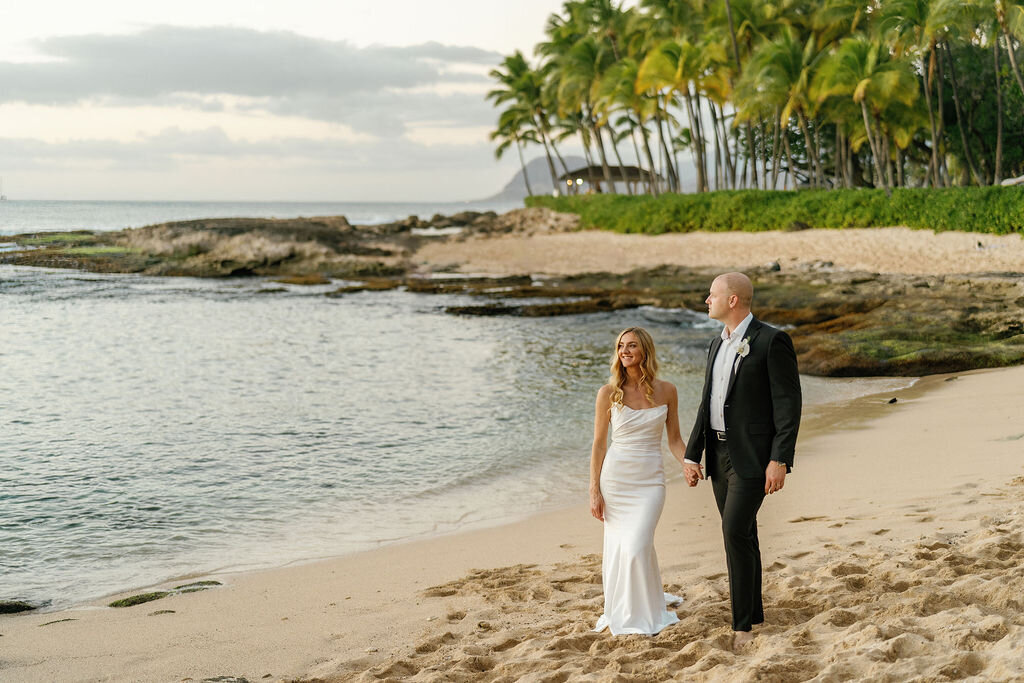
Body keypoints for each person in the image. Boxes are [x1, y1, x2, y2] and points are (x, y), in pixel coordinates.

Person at [682, 272, 801, 649]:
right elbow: (708, 402)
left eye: (712, 294)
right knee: (744, 535)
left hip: (752, 457)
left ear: (733, 300)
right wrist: (692, 452)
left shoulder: (771, 341)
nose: (706, 300)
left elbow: (788, 404)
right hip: (717, 455)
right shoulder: (717, 345)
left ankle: (742, 627)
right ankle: (755, 613)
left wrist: (779, 459)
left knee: (733, 531)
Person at [590, 327, 687, 635]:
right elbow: (599, 444)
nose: (625, 350)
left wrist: (689, 463)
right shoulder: (608, 393)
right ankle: (629, 607)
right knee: (624, 546)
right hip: (616, 481)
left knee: (638, 544)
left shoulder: (668, 390)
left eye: (632, 345)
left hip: (650, 481)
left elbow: (674, 439)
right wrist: (594, 488)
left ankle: (644, 607)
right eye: (620, 345)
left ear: (645, 350)